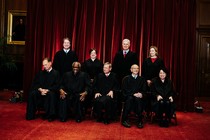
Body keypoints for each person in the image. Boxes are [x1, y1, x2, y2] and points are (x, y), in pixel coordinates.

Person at [26, 58, 60, 122]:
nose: (44, 66)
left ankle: (50, 116)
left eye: (46, 65)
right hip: (41, 91)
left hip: (50, 91)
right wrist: (40, 89)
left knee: (51, 95)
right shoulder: (40, 73)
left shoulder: (56, 73)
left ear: (50, 63)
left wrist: (47, 90)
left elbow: (57, 85)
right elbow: (35, 83)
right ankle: (30, 115)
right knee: (32, 94)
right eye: (43, 65)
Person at [141, 46, 165, 116]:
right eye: (150, 51)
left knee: (155, 95)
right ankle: (147, 111)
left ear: (156, 52)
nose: (151, 52)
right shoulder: (146, 60)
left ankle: (156, 111)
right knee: (147, 96)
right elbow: (144, 71)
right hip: (147, 81)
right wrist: (147, 80)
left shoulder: (160, 61)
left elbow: (162, 72)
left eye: (153, 51)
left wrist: (155, 81)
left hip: (157, 82)